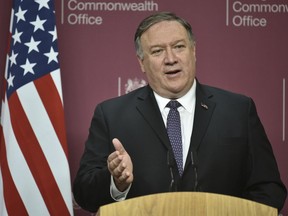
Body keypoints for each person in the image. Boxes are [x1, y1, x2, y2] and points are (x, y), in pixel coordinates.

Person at [73, 11, 287, 213]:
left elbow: (269, 189)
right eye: (157, 51)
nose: (171, 58)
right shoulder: (111, 114)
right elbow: (84, 194)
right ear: (142, 63)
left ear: (193, 51)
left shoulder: (238, 110)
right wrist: (116, 182)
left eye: (179, 47)